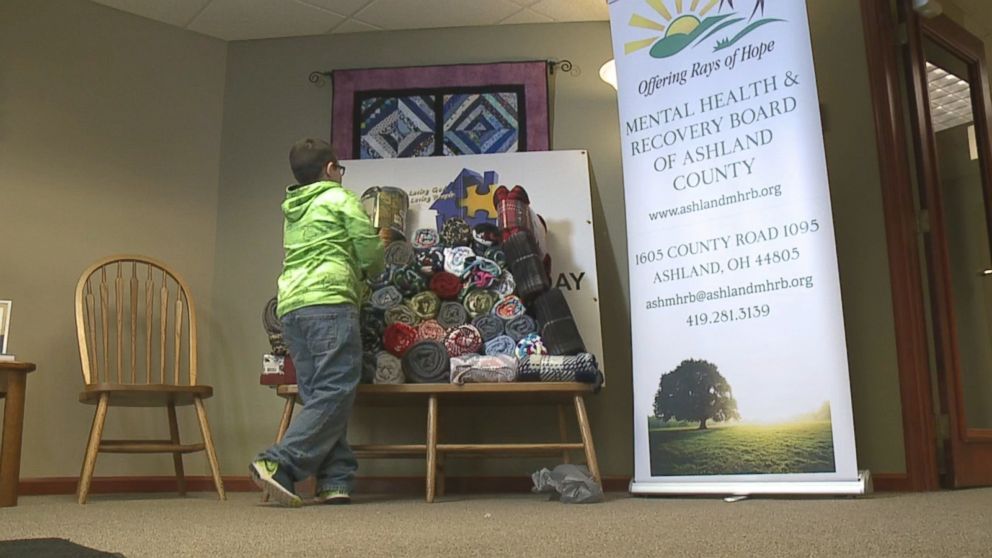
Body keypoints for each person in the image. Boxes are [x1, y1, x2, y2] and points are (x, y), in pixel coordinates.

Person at [250, 138, 384, 507]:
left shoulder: (292, 208)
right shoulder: (339, 198)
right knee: (336, 389)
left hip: (291, 308)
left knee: (317, 393)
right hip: (329, 301)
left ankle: (335, 478)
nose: (341, 175)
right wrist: (373, 270)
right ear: (330, 170)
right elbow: (368, 247)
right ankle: (278, 462)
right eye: (340, 168)